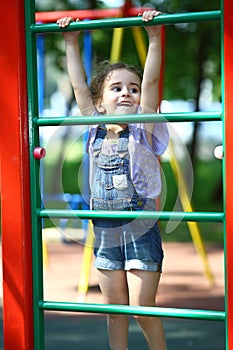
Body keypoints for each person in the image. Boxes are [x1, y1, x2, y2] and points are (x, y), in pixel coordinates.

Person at [57, 9, 169, 350]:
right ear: (99, 103)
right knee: (114, 311)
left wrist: (153, 37)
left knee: (142, 311)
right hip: (105, 232)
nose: (126, 94)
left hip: (140, 231)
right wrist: (70, 42)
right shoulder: (95, 129)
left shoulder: (142, 129)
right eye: (116, 88)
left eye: (131, 89)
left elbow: (150, 84)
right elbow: (79, 85)